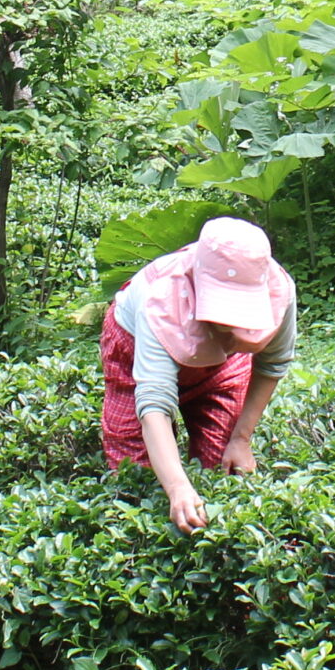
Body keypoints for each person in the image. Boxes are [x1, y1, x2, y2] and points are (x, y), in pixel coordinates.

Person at [103, 216, 296, 532]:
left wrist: (242, 438)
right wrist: (177, 487)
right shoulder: (160, 298)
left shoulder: (279, 291)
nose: (230, 327)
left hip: (222, 367)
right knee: (133, 474)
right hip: (133, 344)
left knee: (221, 466)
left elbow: (272, 365)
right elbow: (154, 404)